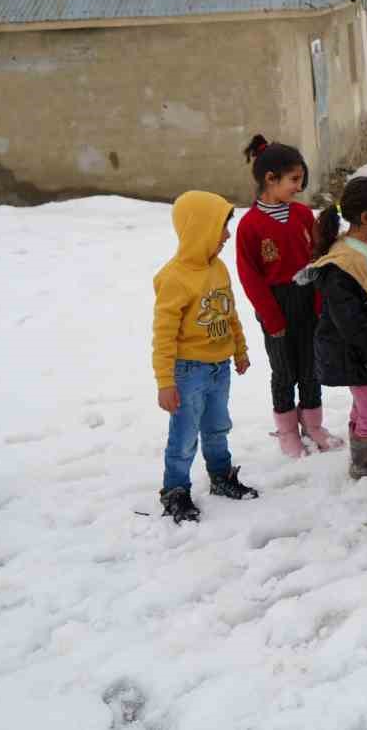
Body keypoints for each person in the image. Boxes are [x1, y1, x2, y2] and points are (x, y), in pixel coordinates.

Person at [152, 191, 258, 524]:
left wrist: (239, 349)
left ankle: (221, 476)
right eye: (221, 229)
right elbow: (164, 336)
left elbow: (230, 313)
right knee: (184, 436)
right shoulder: (175, 278)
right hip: (188, 372)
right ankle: (175, 490)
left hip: (219, 368)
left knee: (217, 426)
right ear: (199, 229)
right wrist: (165, 382)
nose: (227, 235)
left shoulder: (219, 269)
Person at [235, 135, 342, 458]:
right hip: (276, 305)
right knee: (284, 371)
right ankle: (286, 431)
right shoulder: (250, 225)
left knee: (312, 366)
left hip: (308, 299)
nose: (299, 187)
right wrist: (271, 317)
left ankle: (313, 425)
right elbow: (250, 276)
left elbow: (317, 259)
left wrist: (321, 302)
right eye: (294, 180)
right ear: (270, 178)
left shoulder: (301, 215)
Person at [294, 176, 367, 479]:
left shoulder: (364, 246)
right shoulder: (341, 263)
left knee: (366, 405)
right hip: (355, 351)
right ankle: (363, 461)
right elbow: (350, 321)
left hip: (366, 348)